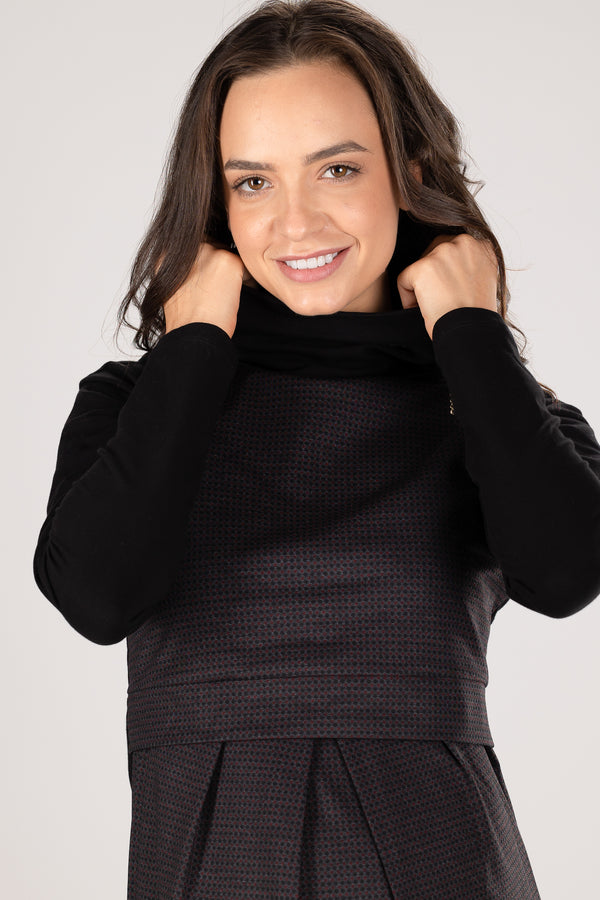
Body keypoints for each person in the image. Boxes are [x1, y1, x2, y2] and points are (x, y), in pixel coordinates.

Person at [32, 1, 600, 897]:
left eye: (337, 168)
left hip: (443, 864)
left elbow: (566, 576)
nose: (294, 222)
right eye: (253, 182)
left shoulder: (490, 402)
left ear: (409, 174)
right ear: (216, 203)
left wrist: (471, 331)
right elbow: (99, 599)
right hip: (208, 869)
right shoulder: (135, 405)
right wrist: (193, 345)